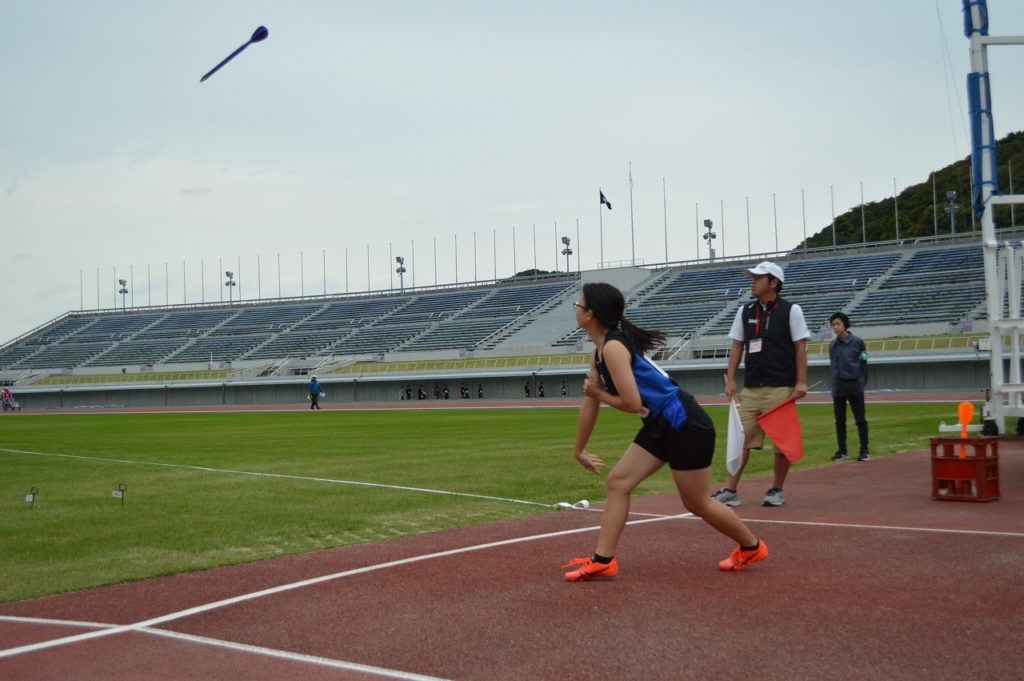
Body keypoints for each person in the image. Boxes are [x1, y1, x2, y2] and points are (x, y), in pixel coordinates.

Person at [563, 282, 768, 581]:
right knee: (618, 482)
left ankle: (752, 546)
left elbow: (630, 402)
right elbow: (590, 403)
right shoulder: (600, 352)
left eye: (578, 305)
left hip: (684, 423)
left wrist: (599, 393)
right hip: (661, 424)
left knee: (696, 502)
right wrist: (579, 449)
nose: (576, 310)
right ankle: (603, 559)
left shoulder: (614, 348)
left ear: (591, 314)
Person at [715, 261, 810, 508]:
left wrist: (800, 381)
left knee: (782, 444)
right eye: (753, 277)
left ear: (774, 282)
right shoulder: (744, 311)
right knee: (740, 439)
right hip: (751, 388)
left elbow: (801, 346)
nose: (752, 282)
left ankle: (777, 489)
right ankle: (730, 490)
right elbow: (737, 346)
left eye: (758, 278)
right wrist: (731, 380)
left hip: (781, 387)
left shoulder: (792, 310)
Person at [828, 312, 870, 461]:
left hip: (854, 385)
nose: (835, 327)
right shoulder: (832, 345)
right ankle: (842, 451)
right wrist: (833, 386)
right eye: (833, 324)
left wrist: (861, 382)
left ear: (845, 324)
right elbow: (833, 366)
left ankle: (864, 450)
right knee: (839, 421)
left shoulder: (857, 342)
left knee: (860, 420)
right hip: (838, 387)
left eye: (838, 324)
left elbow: (864, 362)